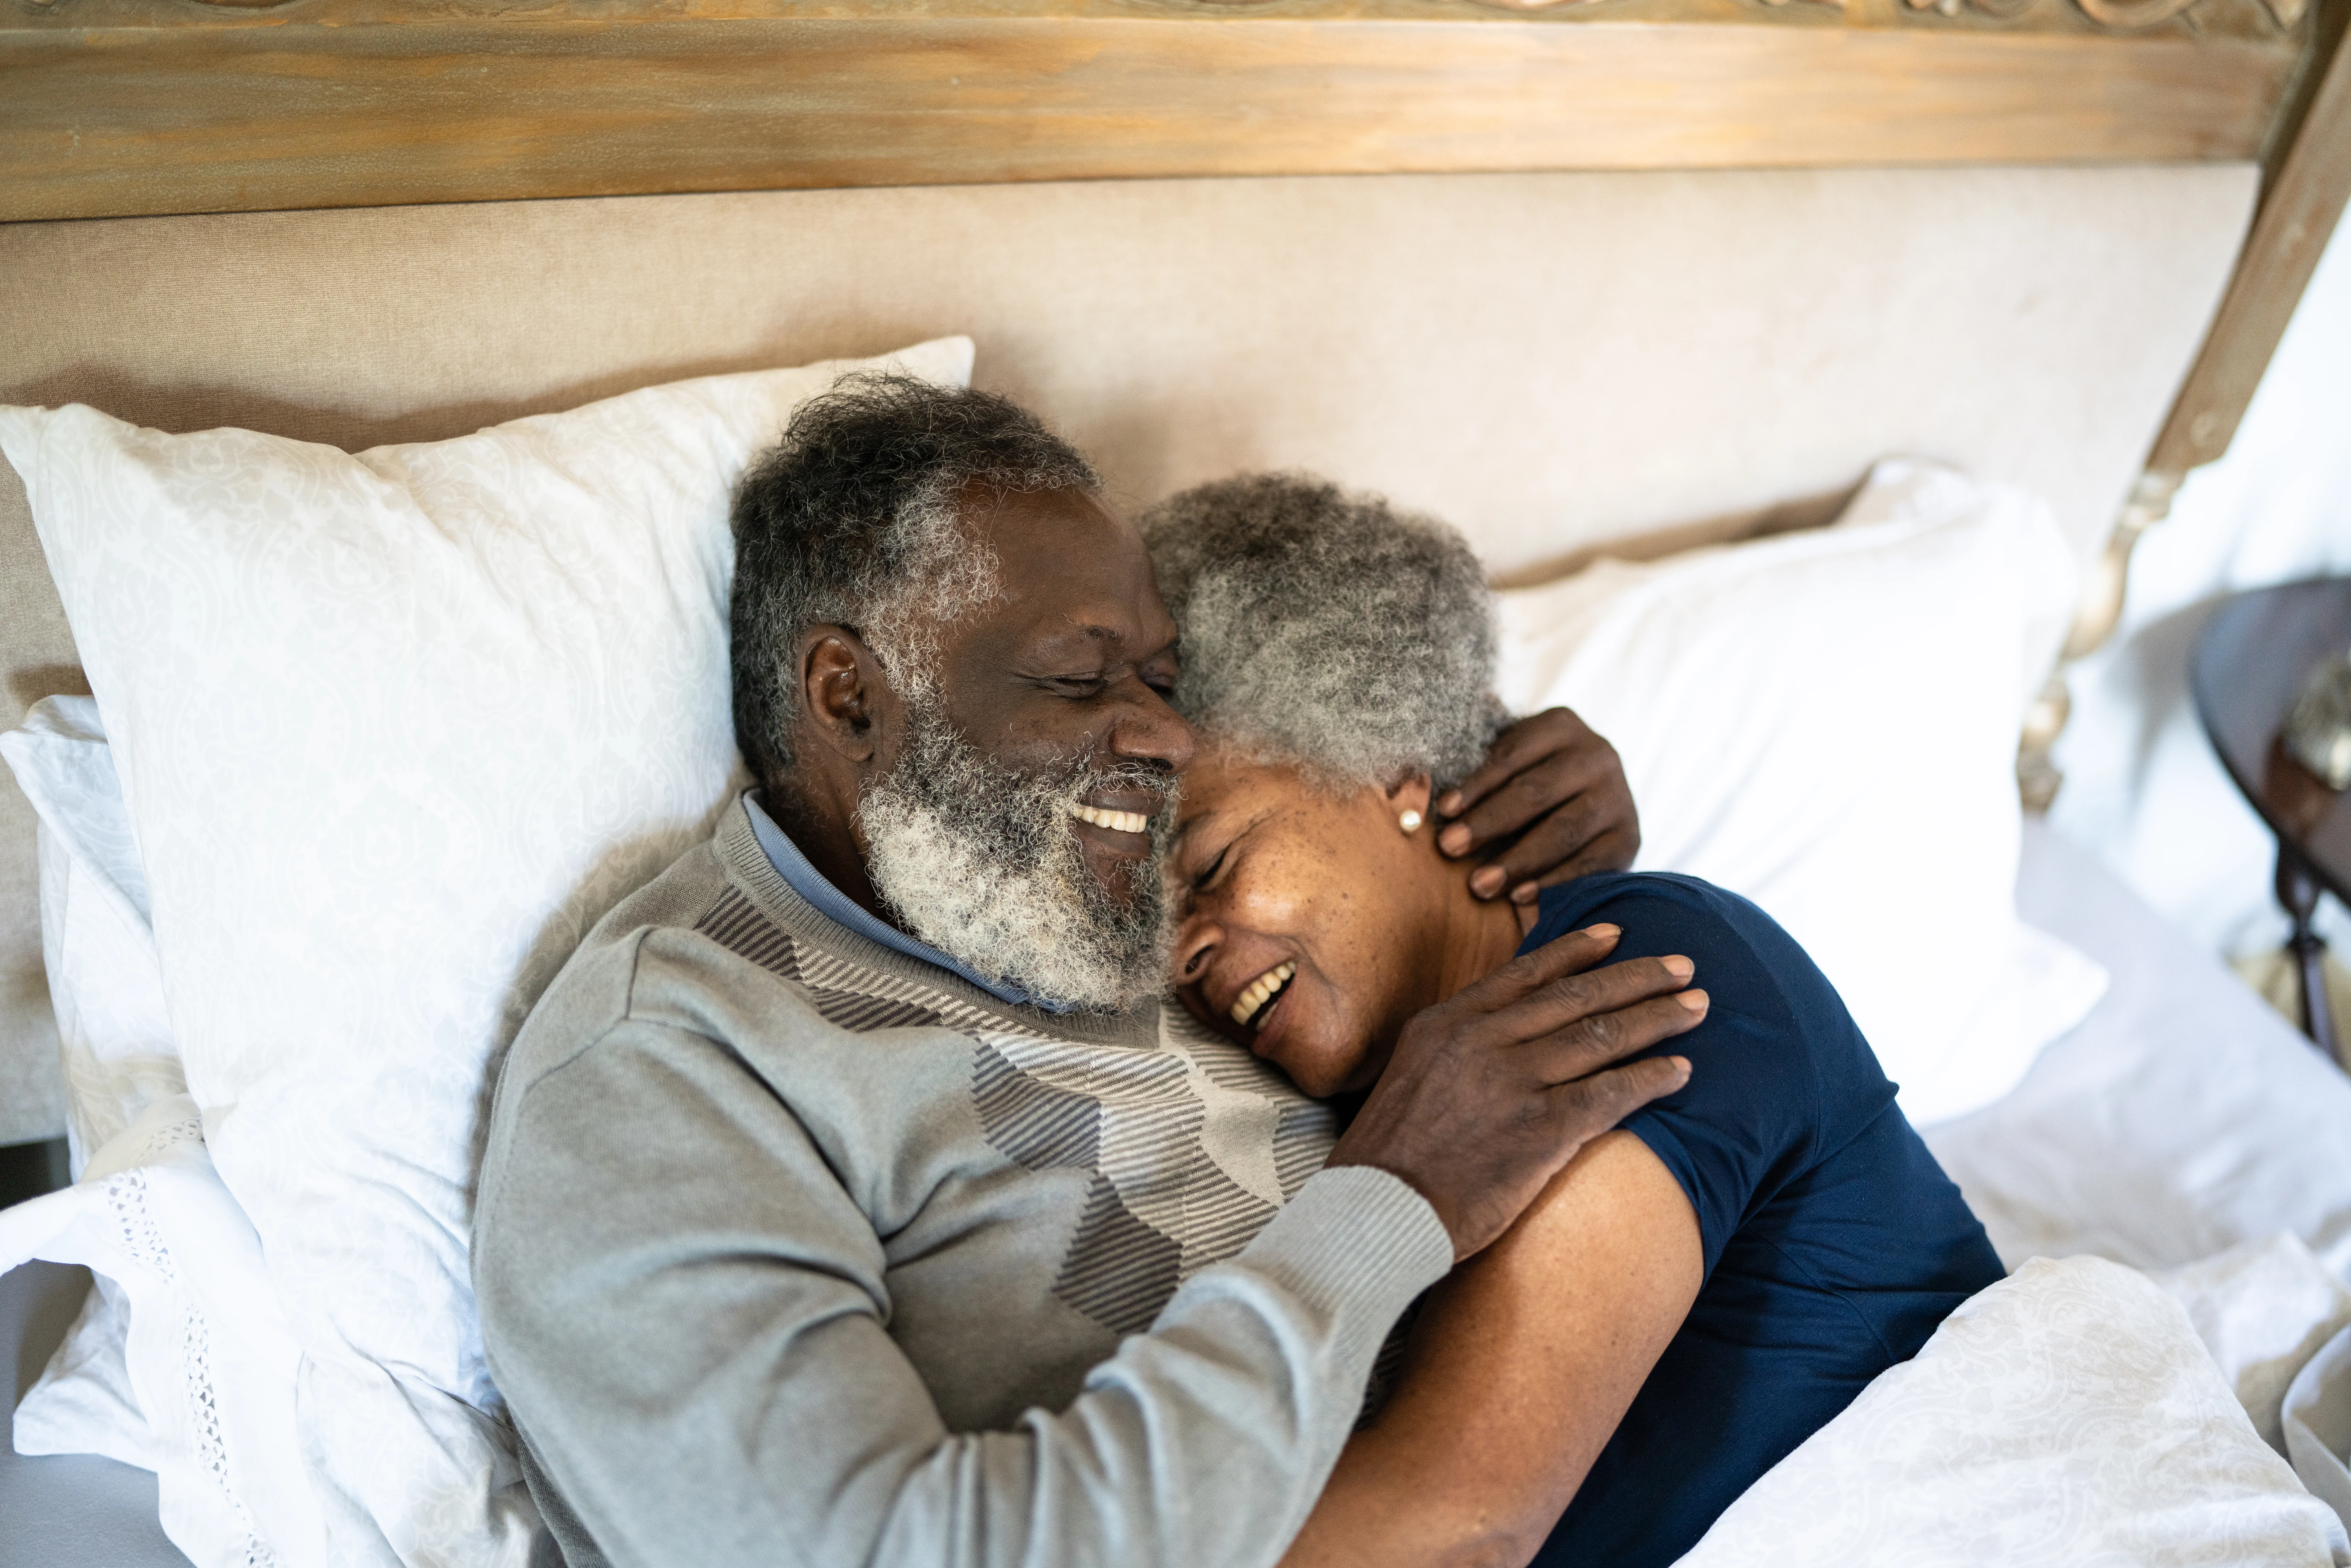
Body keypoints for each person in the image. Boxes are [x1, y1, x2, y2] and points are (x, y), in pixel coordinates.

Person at [471, 375, 1703, 1568]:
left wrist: (1497, 814)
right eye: (1075, 679)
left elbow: (1340, 888)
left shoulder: (1088, 906)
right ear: (850, 696)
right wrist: (1388, 1204)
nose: (1165, 737)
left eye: (1158, 681)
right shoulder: (663, 1067)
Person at [1142, 472, 2008, 1568]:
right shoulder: (1349, 1091)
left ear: (1385, 762)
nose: (1182, 953)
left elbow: (1459, 1533)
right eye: (1150, 941)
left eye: (1213, 864)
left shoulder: (1643, 978)